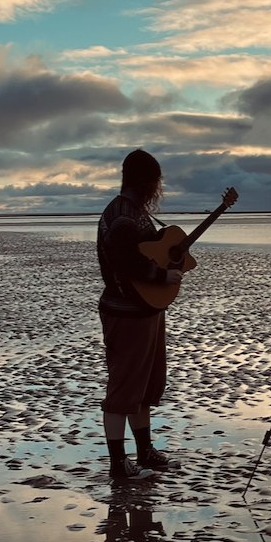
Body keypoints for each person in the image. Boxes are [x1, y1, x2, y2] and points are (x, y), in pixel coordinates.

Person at [97, 149, 183, 481]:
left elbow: (147, 252)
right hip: (126, 313)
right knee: (123, 390)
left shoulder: (135, 212)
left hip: (146, 310)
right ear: (145, 182)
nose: (158, 190)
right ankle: (119, 464)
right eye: (156, 183)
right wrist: (161, 276)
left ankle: (145, 451)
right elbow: (124, 262)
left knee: (145, 387)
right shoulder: (122, 216)